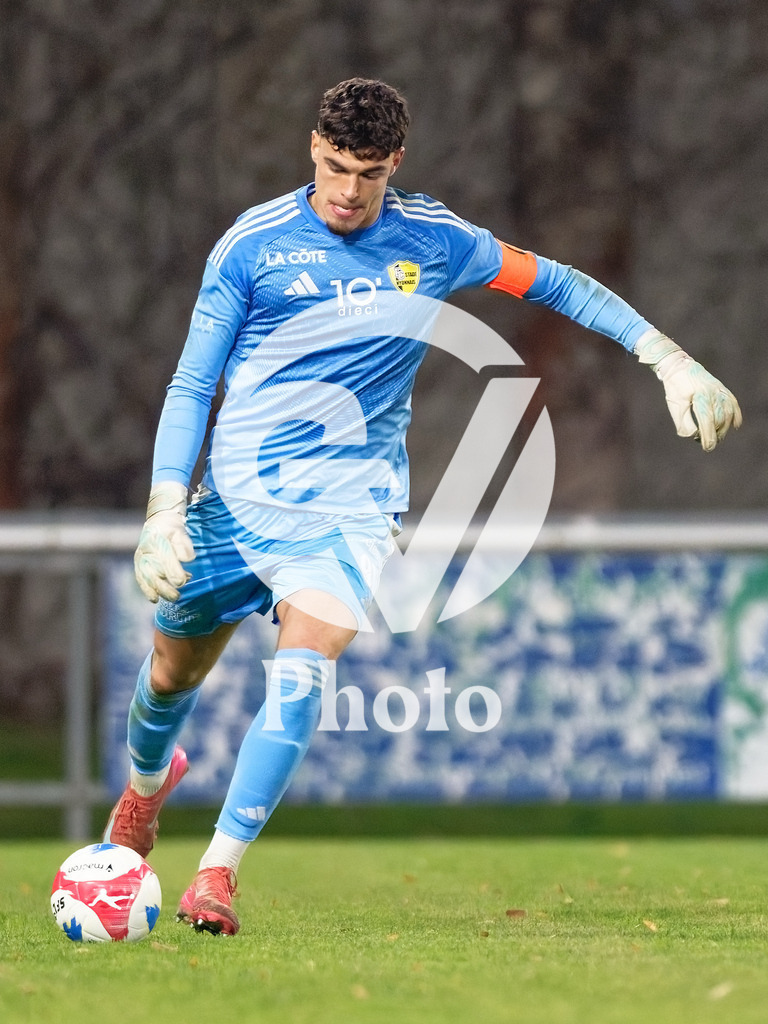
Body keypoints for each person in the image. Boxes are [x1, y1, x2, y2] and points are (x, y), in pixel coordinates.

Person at [103, 78, 741, 935]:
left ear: (393, 163)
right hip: (239, 499)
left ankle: (216, 874)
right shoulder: (251, 247)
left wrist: (664, 354)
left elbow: (556, 283)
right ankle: (143, 792)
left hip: (350, 505)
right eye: (333, 166)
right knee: (172, 674)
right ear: (312, 148)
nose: (346, 189)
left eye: (366, 172)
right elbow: (191, 383)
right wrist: (164, 508)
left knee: (307, 660)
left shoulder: (437, 241)